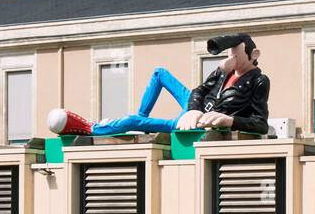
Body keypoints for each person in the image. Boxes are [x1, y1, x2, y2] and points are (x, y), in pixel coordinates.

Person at [47, 33, 270, 138]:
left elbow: (260, 124)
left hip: (196, 124)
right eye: (231, 54)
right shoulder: (226, 71)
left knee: (129, 121)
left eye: (237, 54)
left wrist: (229, 120)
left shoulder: (259, 81)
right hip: (194, 110)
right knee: (159, 73)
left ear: (254, 55)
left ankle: (91, 128)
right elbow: (200, 91)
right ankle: (141, 119)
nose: (232, 58)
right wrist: (219, 72)